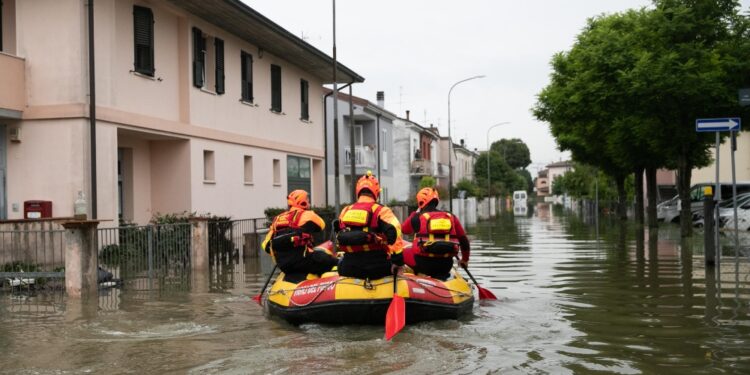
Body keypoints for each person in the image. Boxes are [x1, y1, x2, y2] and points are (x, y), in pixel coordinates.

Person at [336, 171, 404, 280]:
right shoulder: (382, 210)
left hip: (349, 268)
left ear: (358, 191)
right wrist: (398, 262)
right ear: (376, 192)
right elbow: (395, 233)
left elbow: (339, 235)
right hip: (377, 268)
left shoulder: (346, 210)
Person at [262, 190, 338, 283]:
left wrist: (285, 250)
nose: (309, 202)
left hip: (284, 265)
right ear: (303, 201)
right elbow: (322, 225)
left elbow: (266, 246)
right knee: (330, 260)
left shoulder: (277, 219)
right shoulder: (307, 215)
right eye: (307, 199)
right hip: (304, 262)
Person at [401, 187, 470, 280]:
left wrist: (415, 212)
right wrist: (464, 260)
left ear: (420, 202)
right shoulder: (451, 217)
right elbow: (464, 241)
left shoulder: (417, 217)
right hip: (446, 266)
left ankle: (397, 275)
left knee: (398, 253)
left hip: (423, 265)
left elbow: (404, 230)